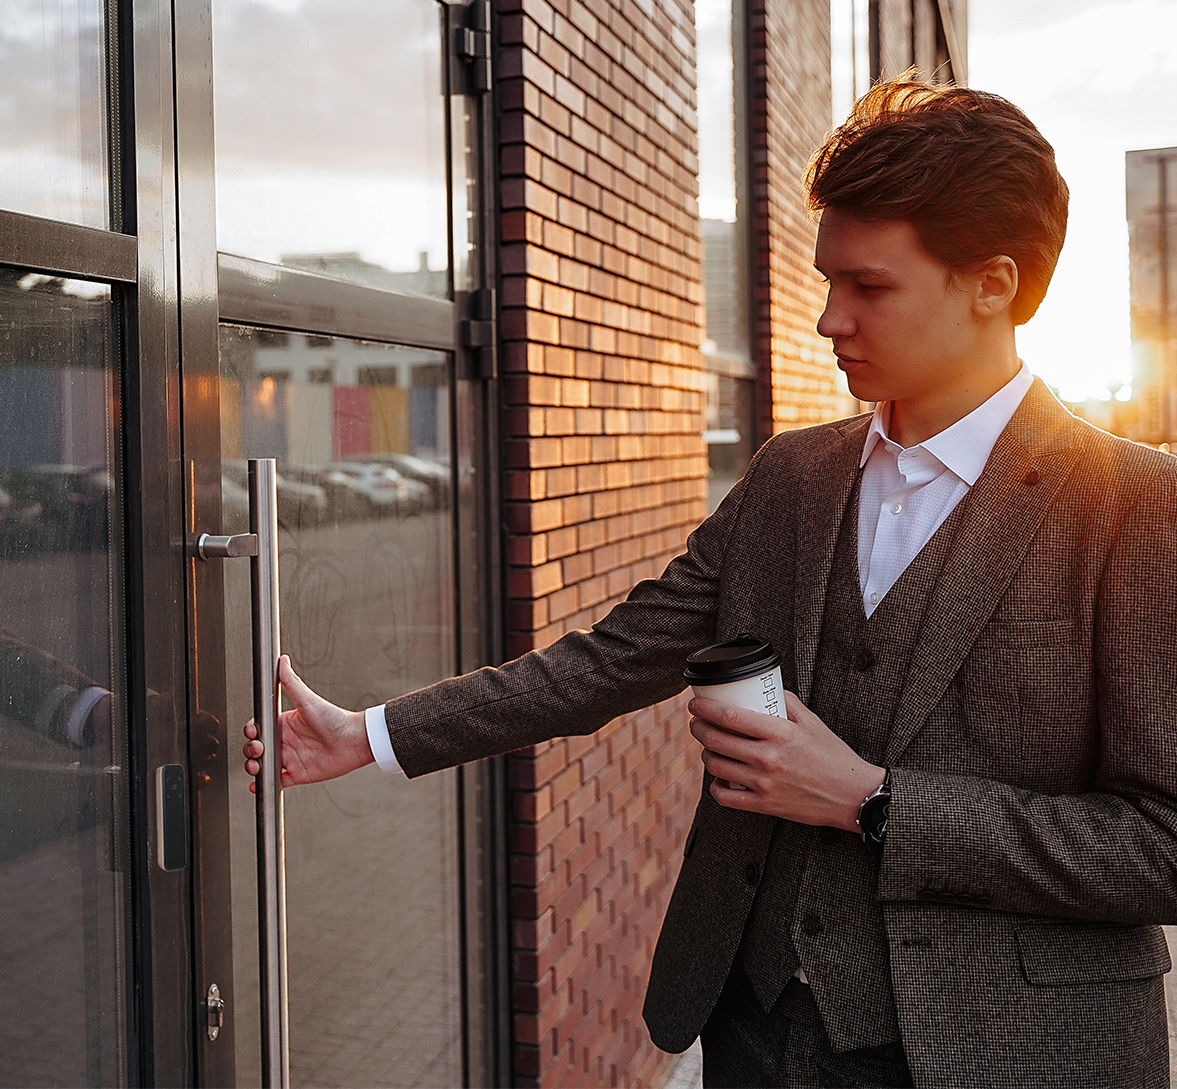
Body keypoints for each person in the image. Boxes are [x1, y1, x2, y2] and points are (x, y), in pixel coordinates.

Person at [244, 78, 1177, 1088]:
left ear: (992, 283)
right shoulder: (792, 478)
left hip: (1007, 1055)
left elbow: (1160, 846)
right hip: (754, 1032)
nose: (828, 319)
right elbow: (608, 661)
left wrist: (872, 801)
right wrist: (369, 734)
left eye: (868, 288)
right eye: (825, 283)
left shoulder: (1132, 508)